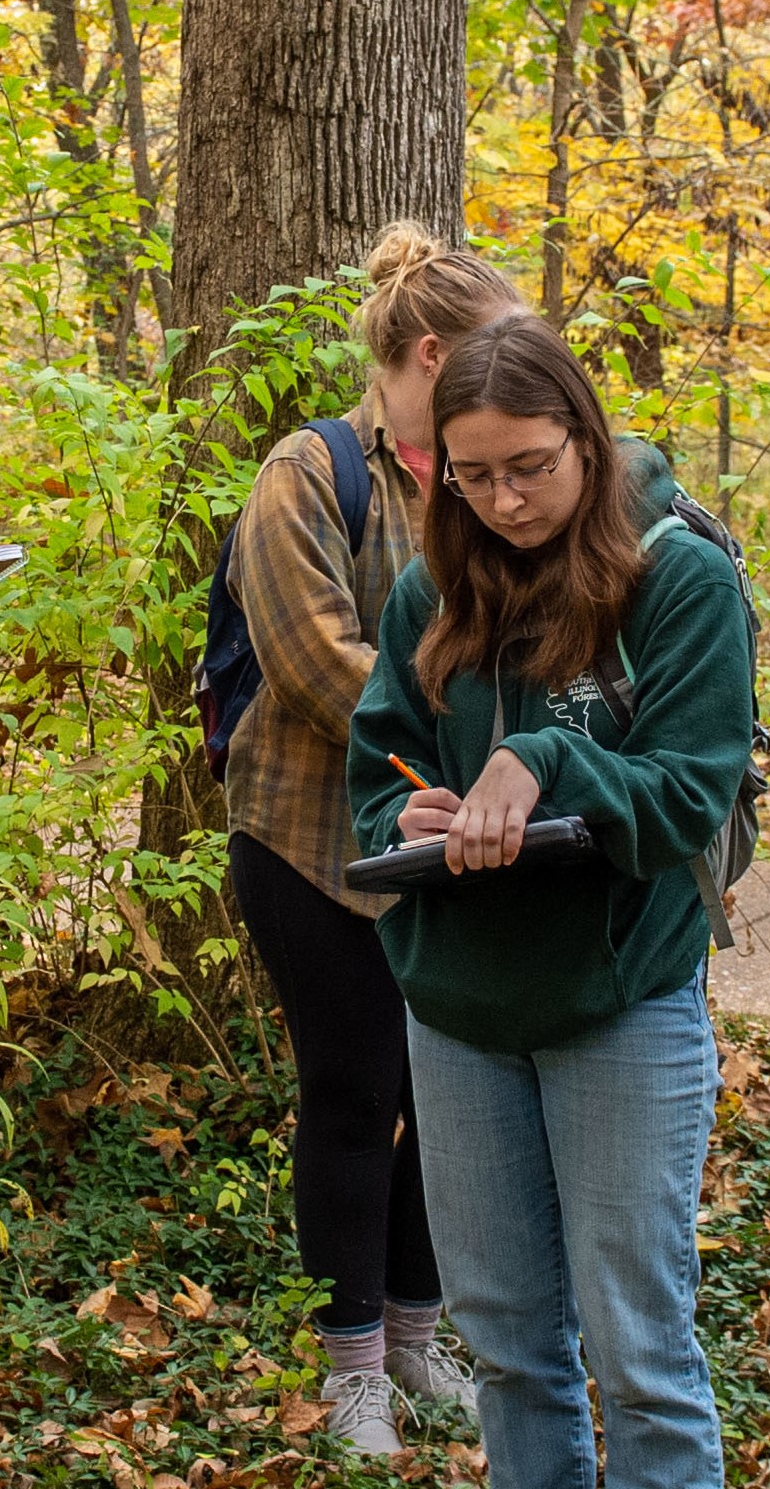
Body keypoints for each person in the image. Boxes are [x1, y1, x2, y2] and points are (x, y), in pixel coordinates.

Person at [346, 316, 750, 1489]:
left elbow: (688, 794)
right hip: (460, 1008)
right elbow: (381, 763)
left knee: (639, 1348)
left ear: (585, 435)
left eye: (529, 466)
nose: (505, 500)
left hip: (618, 996)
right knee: (511, 1345)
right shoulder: (429, 587)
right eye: (471, 476)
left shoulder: (677, 575)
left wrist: (545, 764)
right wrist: (405, 818)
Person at [217, 224, 505, 1454]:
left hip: (462, 845)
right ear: (428, 352)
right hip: (313, 848)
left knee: (448, 1103)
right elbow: (311, 658)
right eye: (493, 361)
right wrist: (454, 755)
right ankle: (349, 1373)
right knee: (354, 1095)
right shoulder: (308, 471)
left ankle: (411, 1333)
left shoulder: (492, 473)